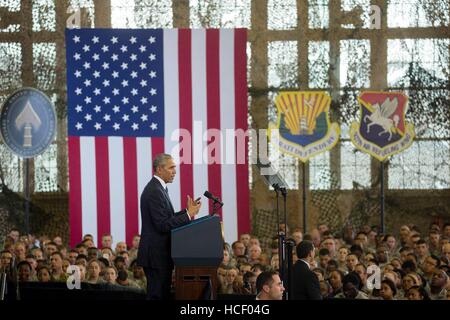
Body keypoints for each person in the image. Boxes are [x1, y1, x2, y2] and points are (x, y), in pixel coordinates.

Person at [137, 153, 201, 300]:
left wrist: (186, 212)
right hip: (156, 256)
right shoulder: (154, 191)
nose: (175, 172)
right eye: (171, 168)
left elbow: (166, 218)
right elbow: (162, 225)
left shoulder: (159, 188)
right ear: (159, 169)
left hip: (159, 255)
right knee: (157, 296)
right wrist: (187, 215)